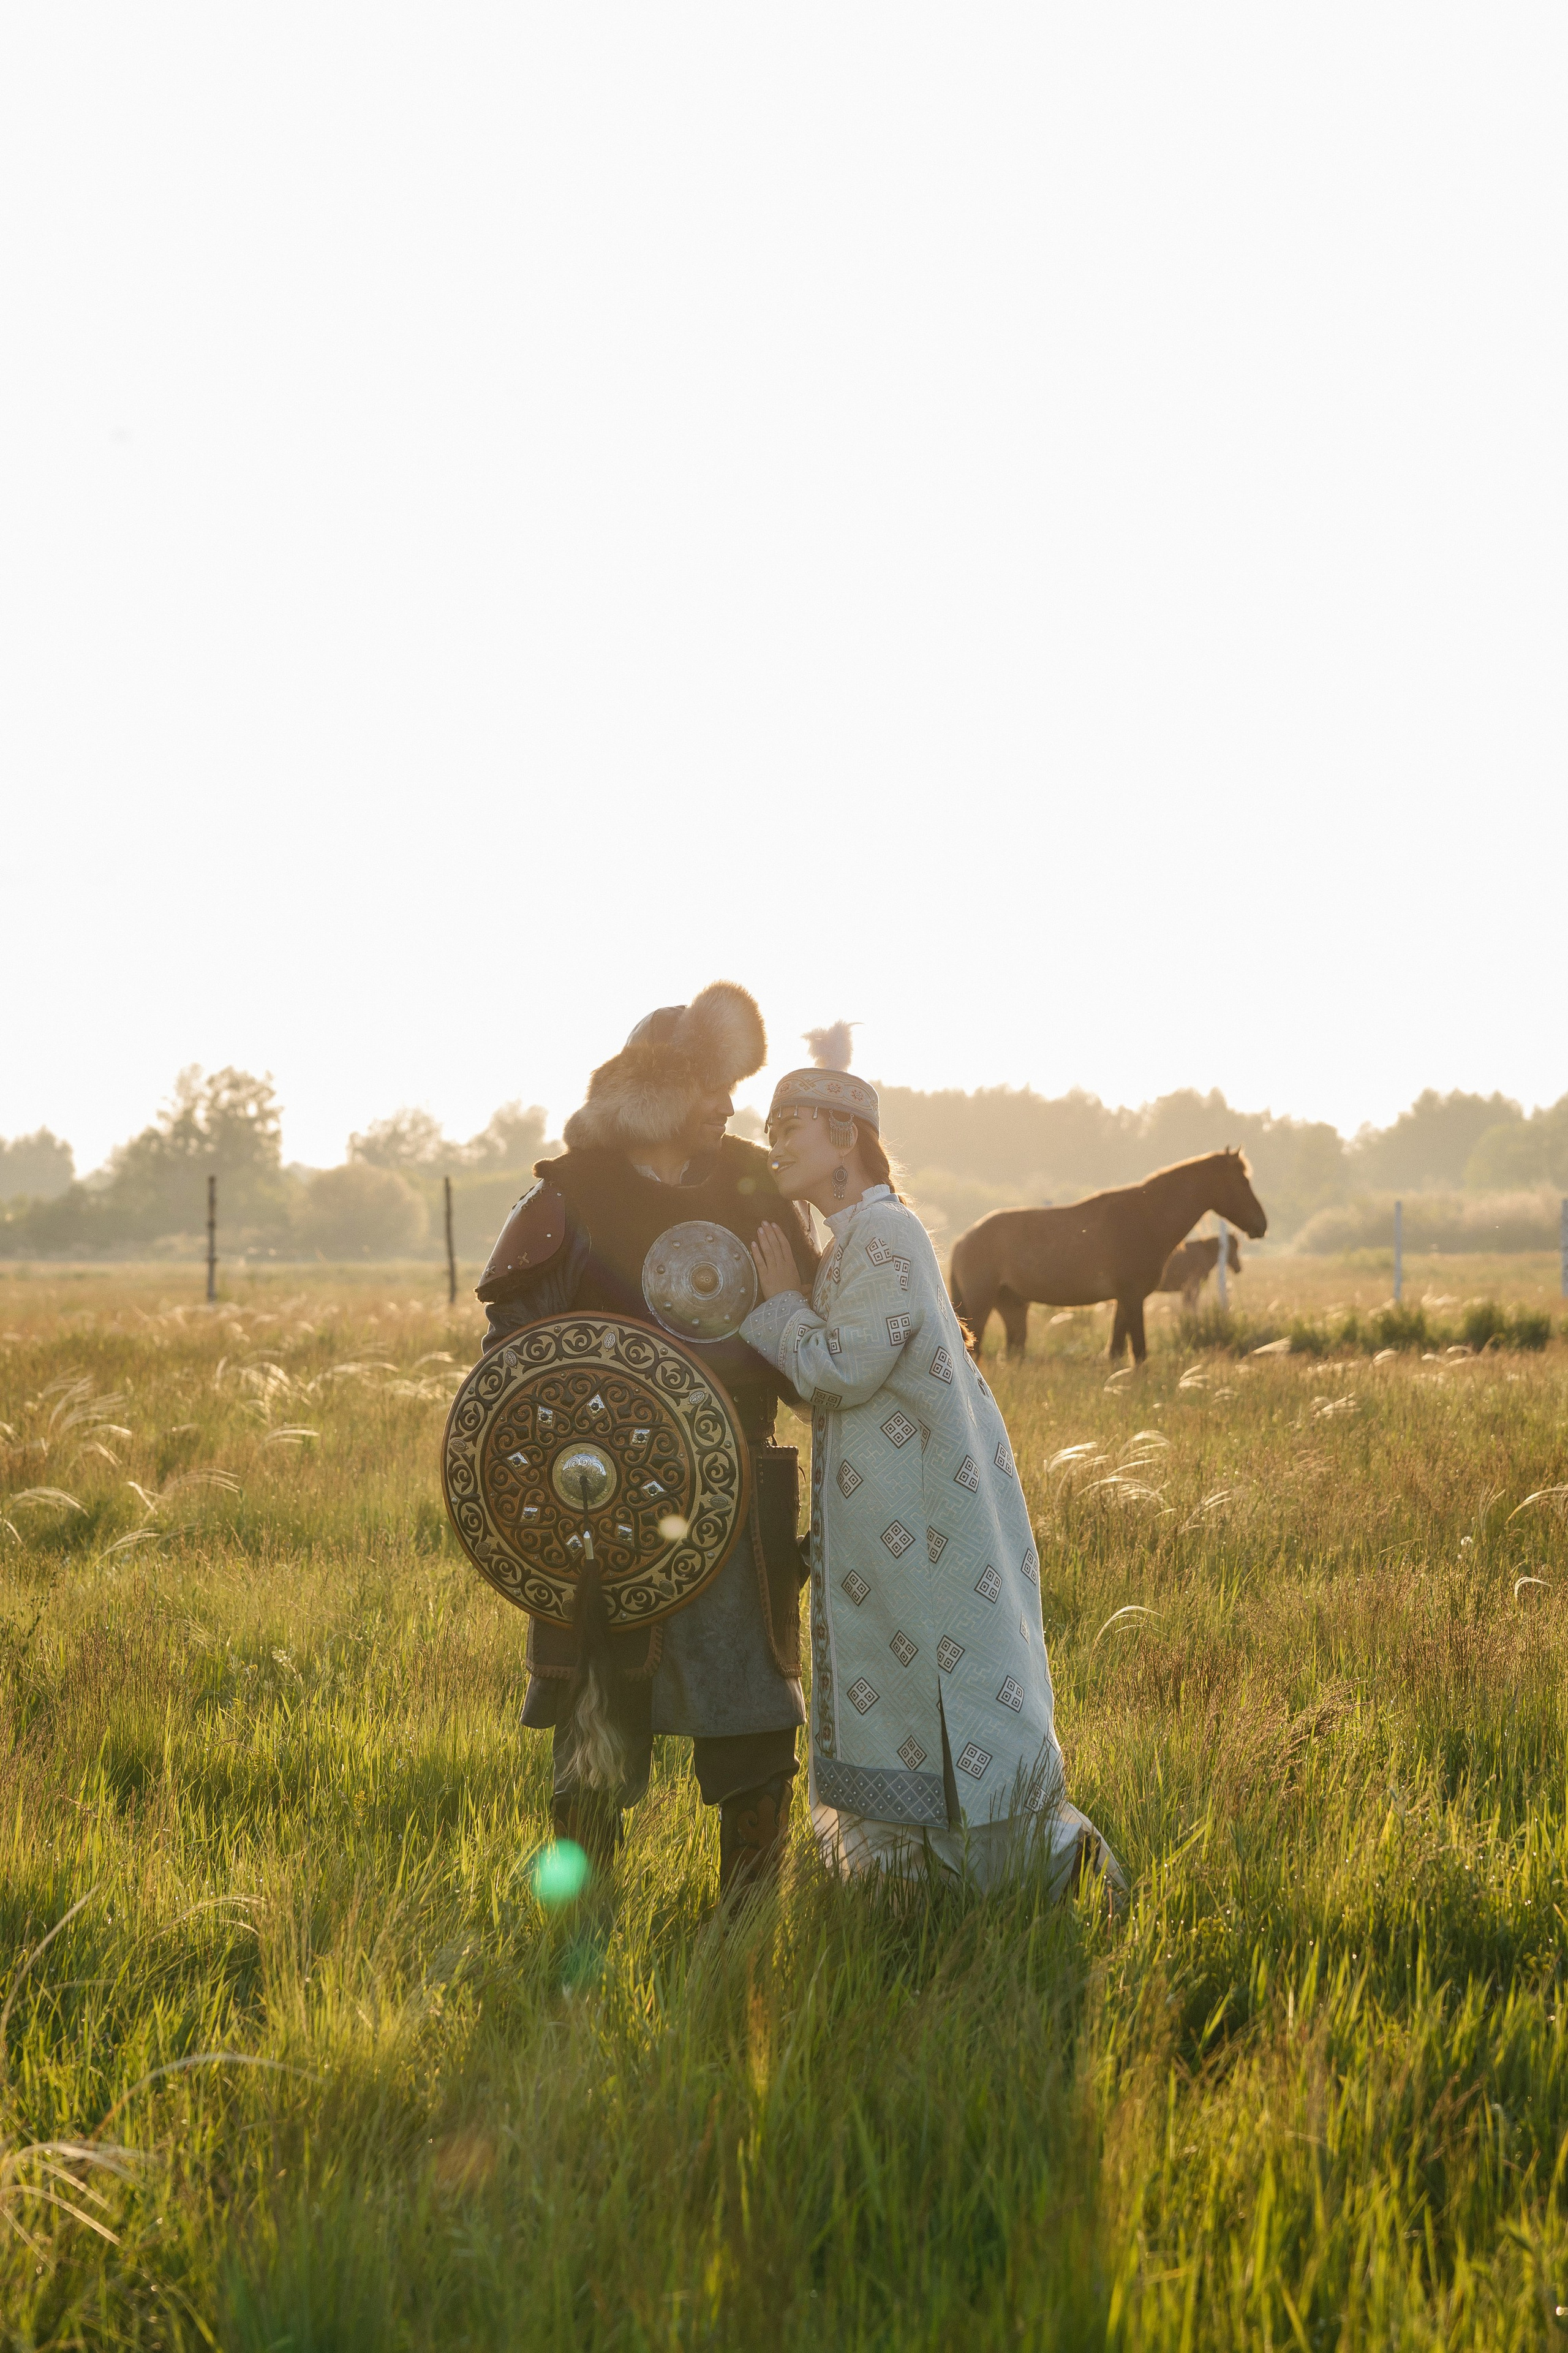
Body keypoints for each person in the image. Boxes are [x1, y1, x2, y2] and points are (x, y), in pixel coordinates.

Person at [740, 1062, 1124, 1901]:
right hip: (892, 1522)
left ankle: (1033, 1877)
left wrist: (776, 1304)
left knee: (937, 1698)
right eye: (770, 1131)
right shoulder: (861, 1239)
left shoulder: (883, 1235)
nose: (773, 1146)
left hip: (921, 1522)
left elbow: (840, 1369)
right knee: (911, 1697)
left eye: (788, 1128)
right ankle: (913, 1892)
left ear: (845, 1135)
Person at [475, 984, 819, 1899]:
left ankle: (741, 1934)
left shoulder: (754, 1186)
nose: (731, 1106)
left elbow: (810, 1346)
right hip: (598, 1502)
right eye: (715, 1087)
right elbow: (509, 1368)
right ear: (666, 1093)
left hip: (735, 1487)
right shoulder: (570, 1197)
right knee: (594, 1730)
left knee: (754, 1718)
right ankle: (580, 1932)